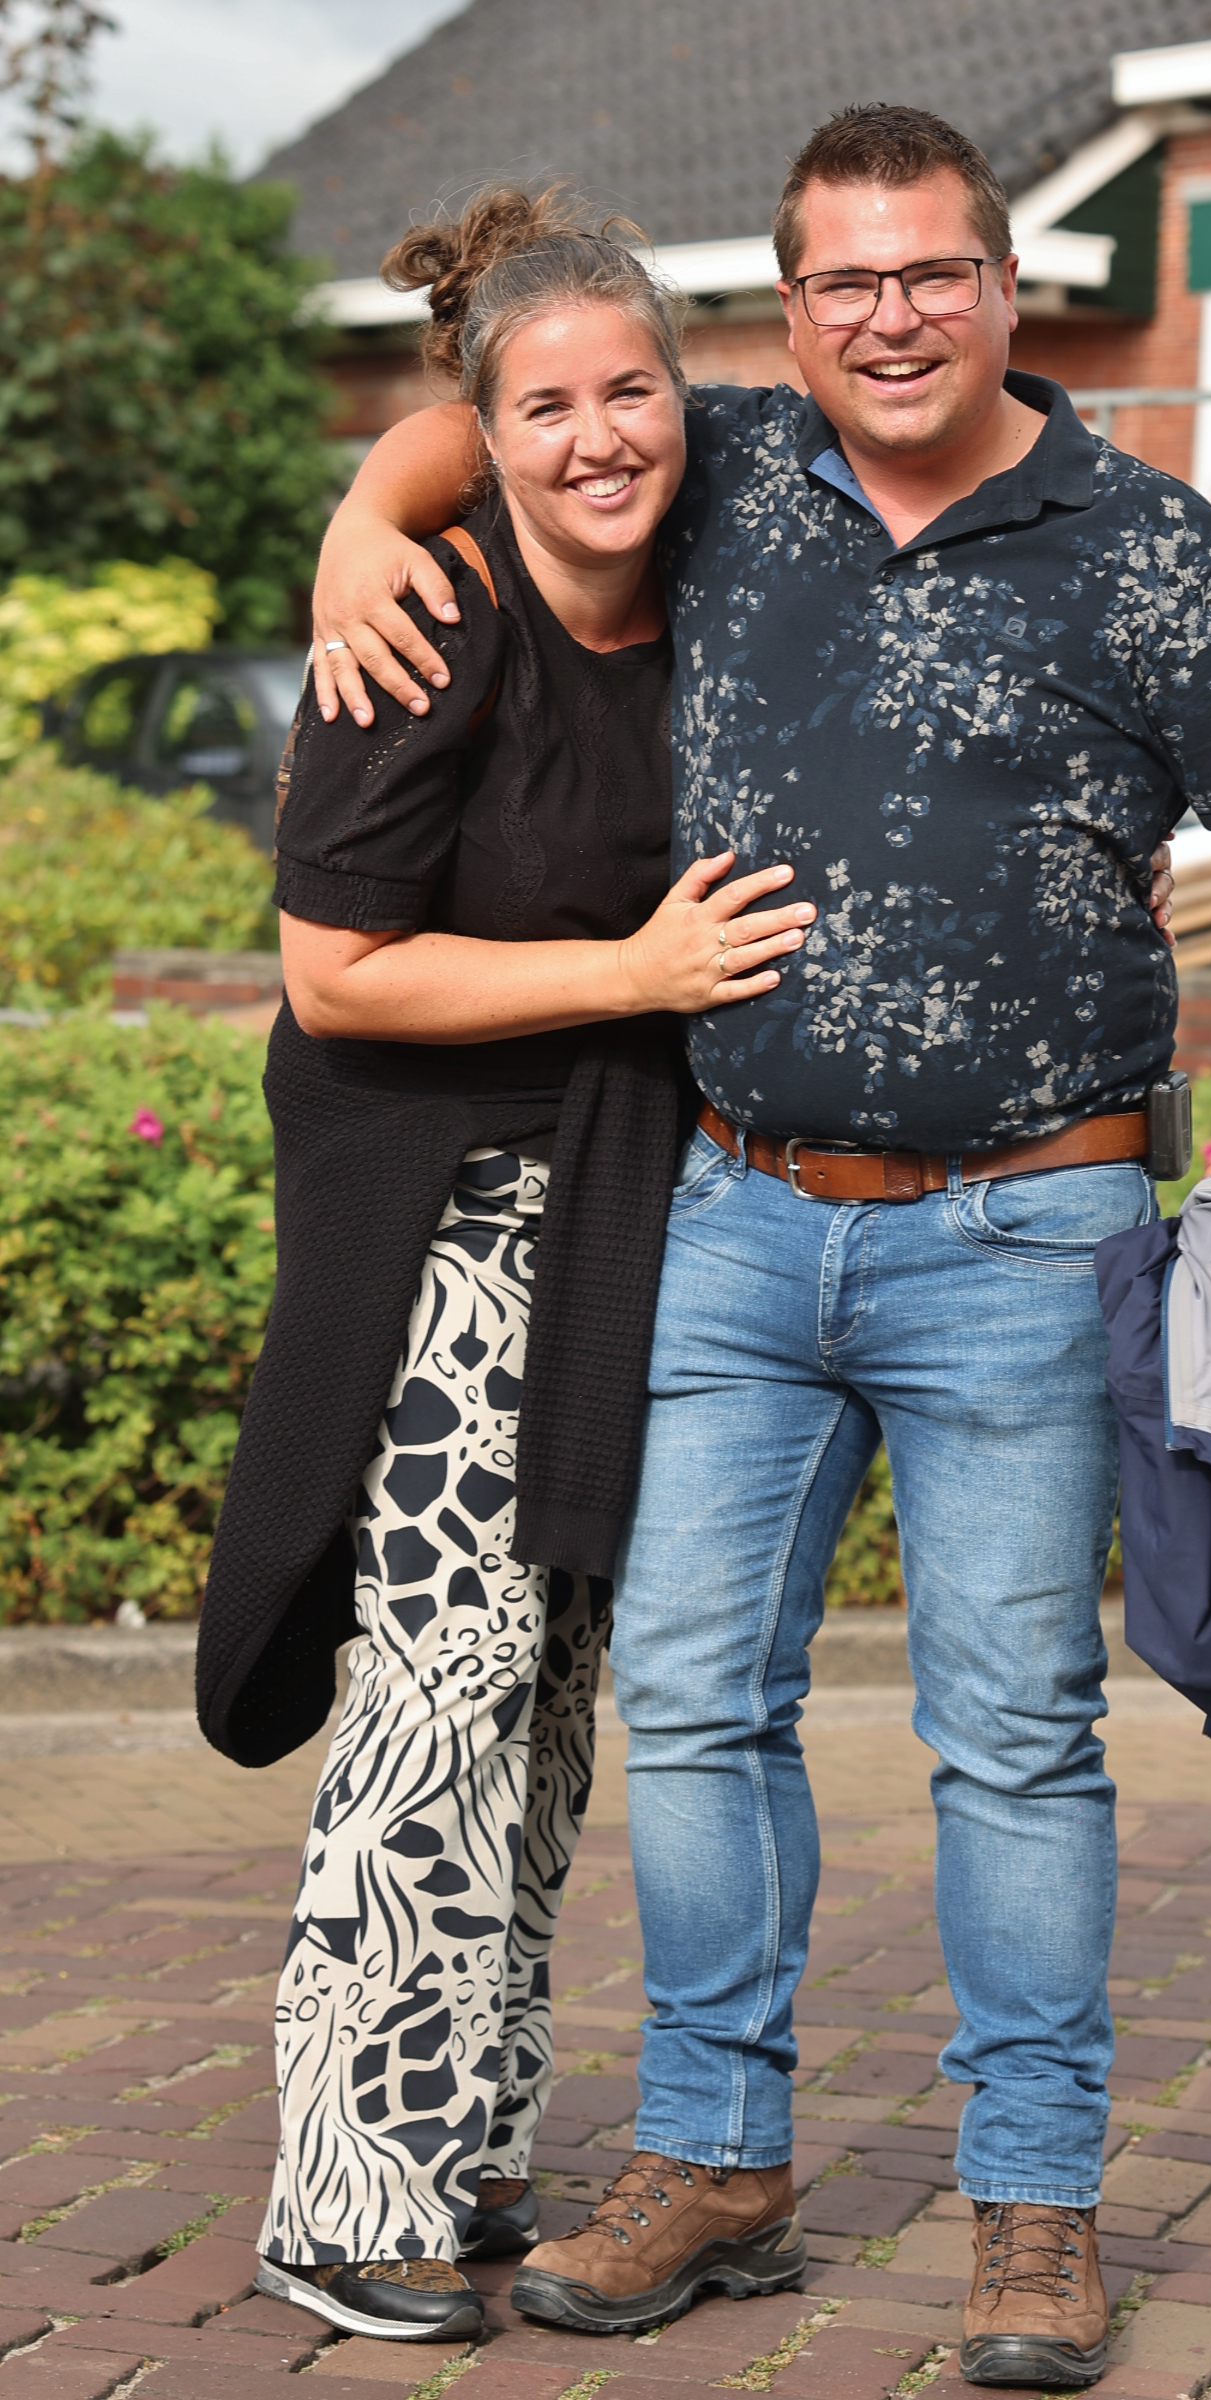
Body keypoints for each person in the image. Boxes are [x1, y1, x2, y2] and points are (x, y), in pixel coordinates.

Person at [309, 104, 1211, 2392]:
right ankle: (714, 2156)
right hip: (734, 1213)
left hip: (1028, 1223)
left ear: (1001, 285)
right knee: (695, 1702)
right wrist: (361, 518)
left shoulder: (1154, 549)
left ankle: (1031, 2204)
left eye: (929, 272)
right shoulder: (730, 467)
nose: (890, 317)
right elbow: (501, 403)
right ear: (786, 315)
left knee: (1011, 1734)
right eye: (843, 283)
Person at [196, 187, 819, 2346]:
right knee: (442, 1675)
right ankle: (337, 2187)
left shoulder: (709, 567)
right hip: (443, 1203)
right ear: (487, 428)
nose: (595, 437)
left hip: (621, 1203)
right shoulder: (429, 623)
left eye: (630, 390)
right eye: (542, 408)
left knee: (545, 1695)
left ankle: (455, 2138)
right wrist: (629, 969)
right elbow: (337, 974)